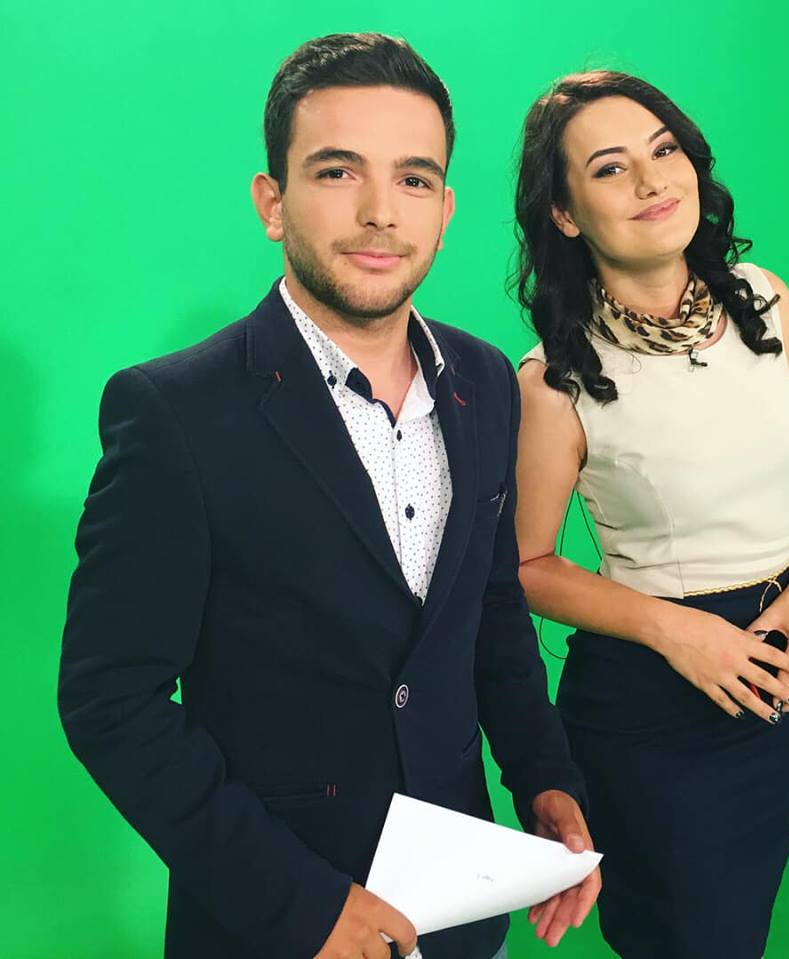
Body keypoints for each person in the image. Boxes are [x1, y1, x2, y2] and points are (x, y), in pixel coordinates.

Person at [58, 34, 600, 959]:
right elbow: (111, 700)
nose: (381, 211)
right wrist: (300, 906)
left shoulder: (486, 380)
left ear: (445, 209)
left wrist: (544, 777)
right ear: (272, 201)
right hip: (269, 924)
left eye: (414, 179)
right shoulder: (173, 413)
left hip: (459, 910)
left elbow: (491, 609)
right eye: (339, 171)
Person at [512, 71, 789, 959]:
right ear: (565, 214)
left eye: (664, 151)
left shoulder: (765, 299)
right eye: (610, 168)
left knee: (739, 930)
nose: (653, 181)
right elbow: (526, 565)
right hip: (651, 699)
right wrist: (679, 632)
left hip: (775, 670)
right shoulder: (553, 379)